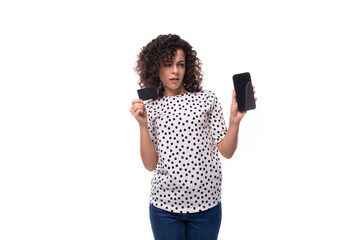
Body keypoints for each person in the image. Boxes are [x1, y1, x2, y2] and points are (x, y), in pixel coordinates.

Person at [129, 34, 256, 240]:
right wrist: (142, 125)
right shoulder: (150, 107)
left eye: (180, 64)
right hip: (164, 208)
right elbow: (150, 165)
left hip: (207, 205)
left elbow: (227, 152)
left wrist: (234, 121)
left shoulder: (207, 99)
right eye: (167, 64)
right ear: (155, 68)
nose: (175, 71)